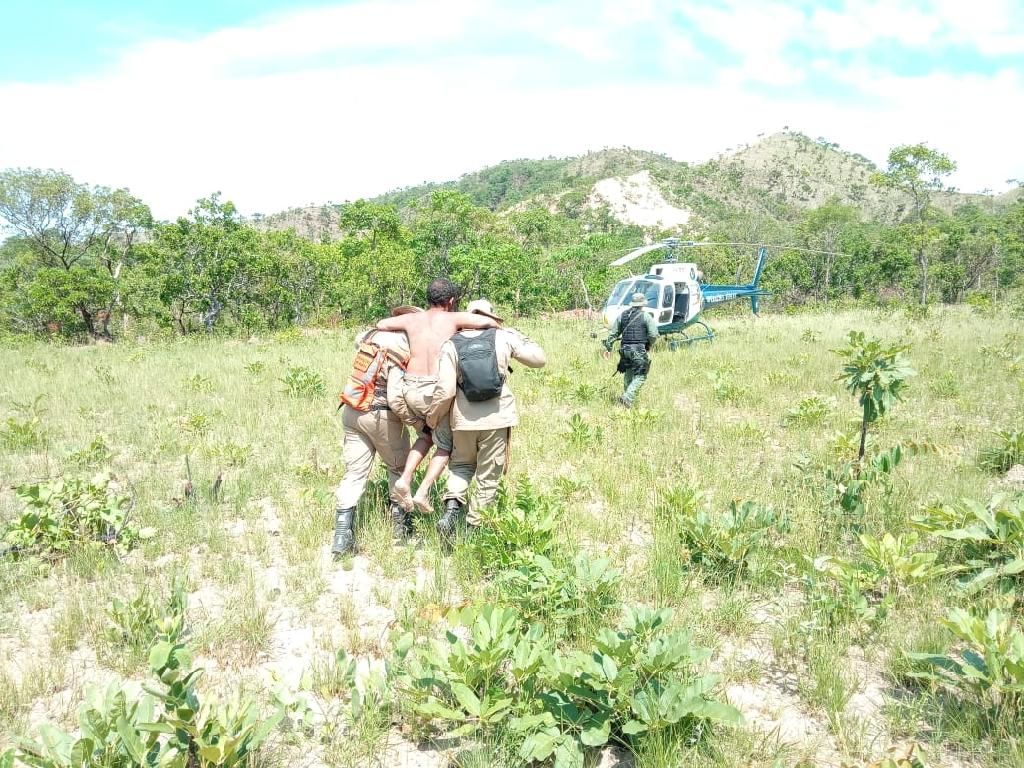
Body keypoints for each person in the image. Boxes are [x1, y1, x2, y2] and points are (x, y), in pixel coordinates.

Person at [375, 278, 498, 515]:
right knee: (446, 445)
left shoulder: (412, 318)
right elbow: (487, 321)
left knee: (426, 436)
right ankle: (423, 491)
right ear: (451, 301)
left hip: (410, 389)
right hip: (436, 391)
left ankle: (404, 479)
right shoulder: (453, 318)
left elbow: (382, 323)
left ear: (428, 299)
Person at [434, 299, 546, 543]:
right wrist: (518, 335)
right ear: (491, 317)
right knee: (488, 477)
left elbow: (444, 390)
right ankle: (474, 531)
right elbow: (539, 359)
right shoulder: (503, 337)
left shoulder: (451, 344)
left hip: (463, 420)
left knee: (461, 467)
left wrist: (434, 417)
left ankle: (452, 511)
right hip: (497, 418)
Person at [332, 308, 420, 556]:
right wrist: (415, 423)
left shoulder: (370, 338)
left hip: (351, 412)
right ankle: (401, 526)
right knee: (399, 468)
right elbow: (395, 397)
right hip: (380, 414)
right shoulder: (399, 348)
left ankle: (341, 536)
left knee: (354, 474)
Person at [603, 292, 659, 408]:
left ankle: (625, 405)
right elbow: (654, 334)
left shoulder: (622, 315)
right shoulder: (646, 316)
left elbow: (613, 334)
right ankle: (627, 398)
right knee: (641, 375)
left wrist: (608, 349)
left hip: (624, 350)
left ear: (632, 303)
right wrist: (649, 345)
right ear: (642, 304)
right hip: (638, 350)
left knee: (628, 374)